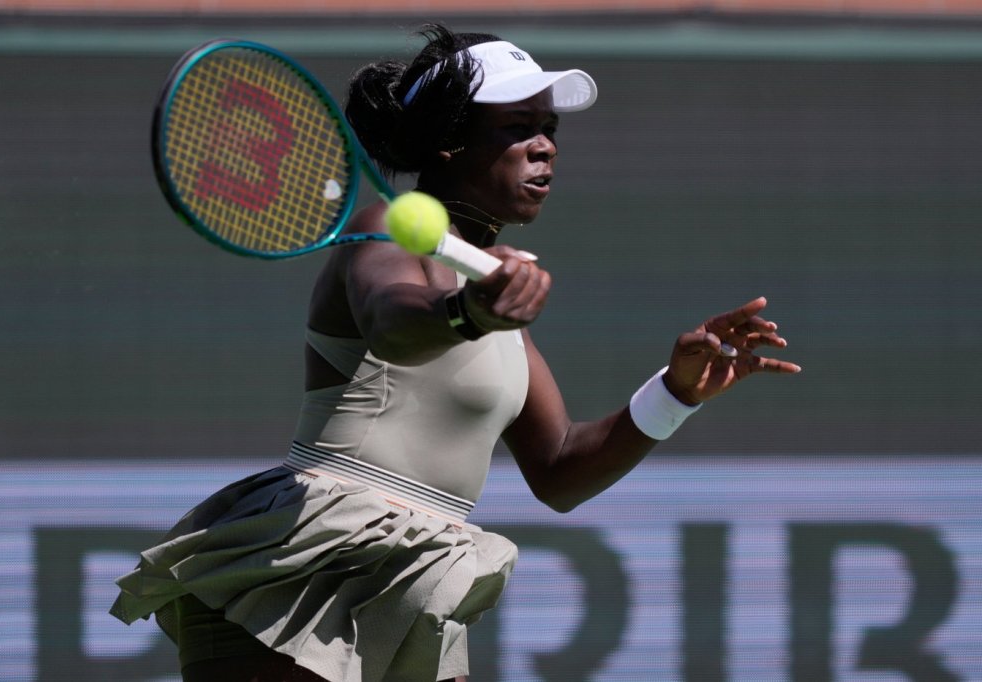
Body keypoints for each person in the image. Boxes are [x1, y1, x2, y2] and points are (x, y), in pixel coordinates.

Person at [110, 23, 801, 682]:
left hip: (420, 575)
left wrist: (676, 392)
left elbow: (560, 470)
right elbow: (394, 322)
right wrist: (468, 313)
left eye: (549, 128)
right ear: (447, 143)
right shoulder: (384, 231)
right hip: (306, 562)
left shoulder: (498, 306)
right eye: (517, 127)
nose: (544, 147)